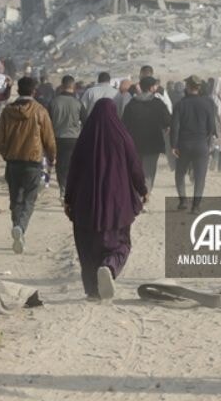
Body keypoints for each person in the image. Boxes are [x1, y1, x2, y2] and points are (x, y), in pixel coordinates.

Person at [64, 97, 148, 301]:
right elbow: (135, 165)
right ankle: (109, 266)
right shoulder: (122, 136)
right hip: (117, 203)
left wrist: (68, 199)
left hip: (86, 202)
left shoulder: (85, 138)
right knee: (120, 242)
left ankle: (93, 290)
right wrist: (142, 189)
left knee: (87, 247)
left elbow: (73, 170)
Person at [0, 77, 56, 254]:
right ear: (34, 91)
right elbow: (49, 139)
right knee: (29, 199)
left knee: (15, 199)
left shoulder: (7, 112)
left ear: (18, 90)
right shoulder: (40, 111)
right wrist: (52, 158)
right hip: (33, 162)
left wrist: (7, 154)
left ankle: (17, 227)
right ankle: (20, 228)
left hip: (13, 162)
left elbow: (0, 140)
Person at [170, 75, 218, 213]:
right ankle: (196, 206)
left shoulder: (180, 104)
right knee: (200, 176)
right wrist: (207, 141)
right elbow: (211, 127)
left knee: (180, 173)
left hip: (183, 145)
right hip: (201, 144)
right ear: (199, 87)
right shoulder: (208, 104)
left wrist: (173, 145)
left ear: (188, 87)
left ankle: (183, 201)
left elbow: (175, 127)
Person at [122, 76, 172, 194]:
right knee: (149, 172)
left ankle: (137, 194)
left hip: (135, 143)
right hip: (153, 143)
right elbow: (167, 121)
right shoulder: (158, 103)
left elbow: (124, 123)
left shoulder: (132, 103)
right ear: (151, 88)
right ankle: (146, 194)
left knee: (136, 170)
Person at [48, 75, 86, 198]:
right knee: (73, 164)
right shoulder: (78, 103)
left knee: (60, 165)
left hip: (58, 138)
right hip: (74, 138)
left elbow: (47, 122)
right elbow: (85, 121)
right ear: (73, 86)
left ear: (62, 85)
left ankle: (63, 189)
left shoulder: (54, 102)